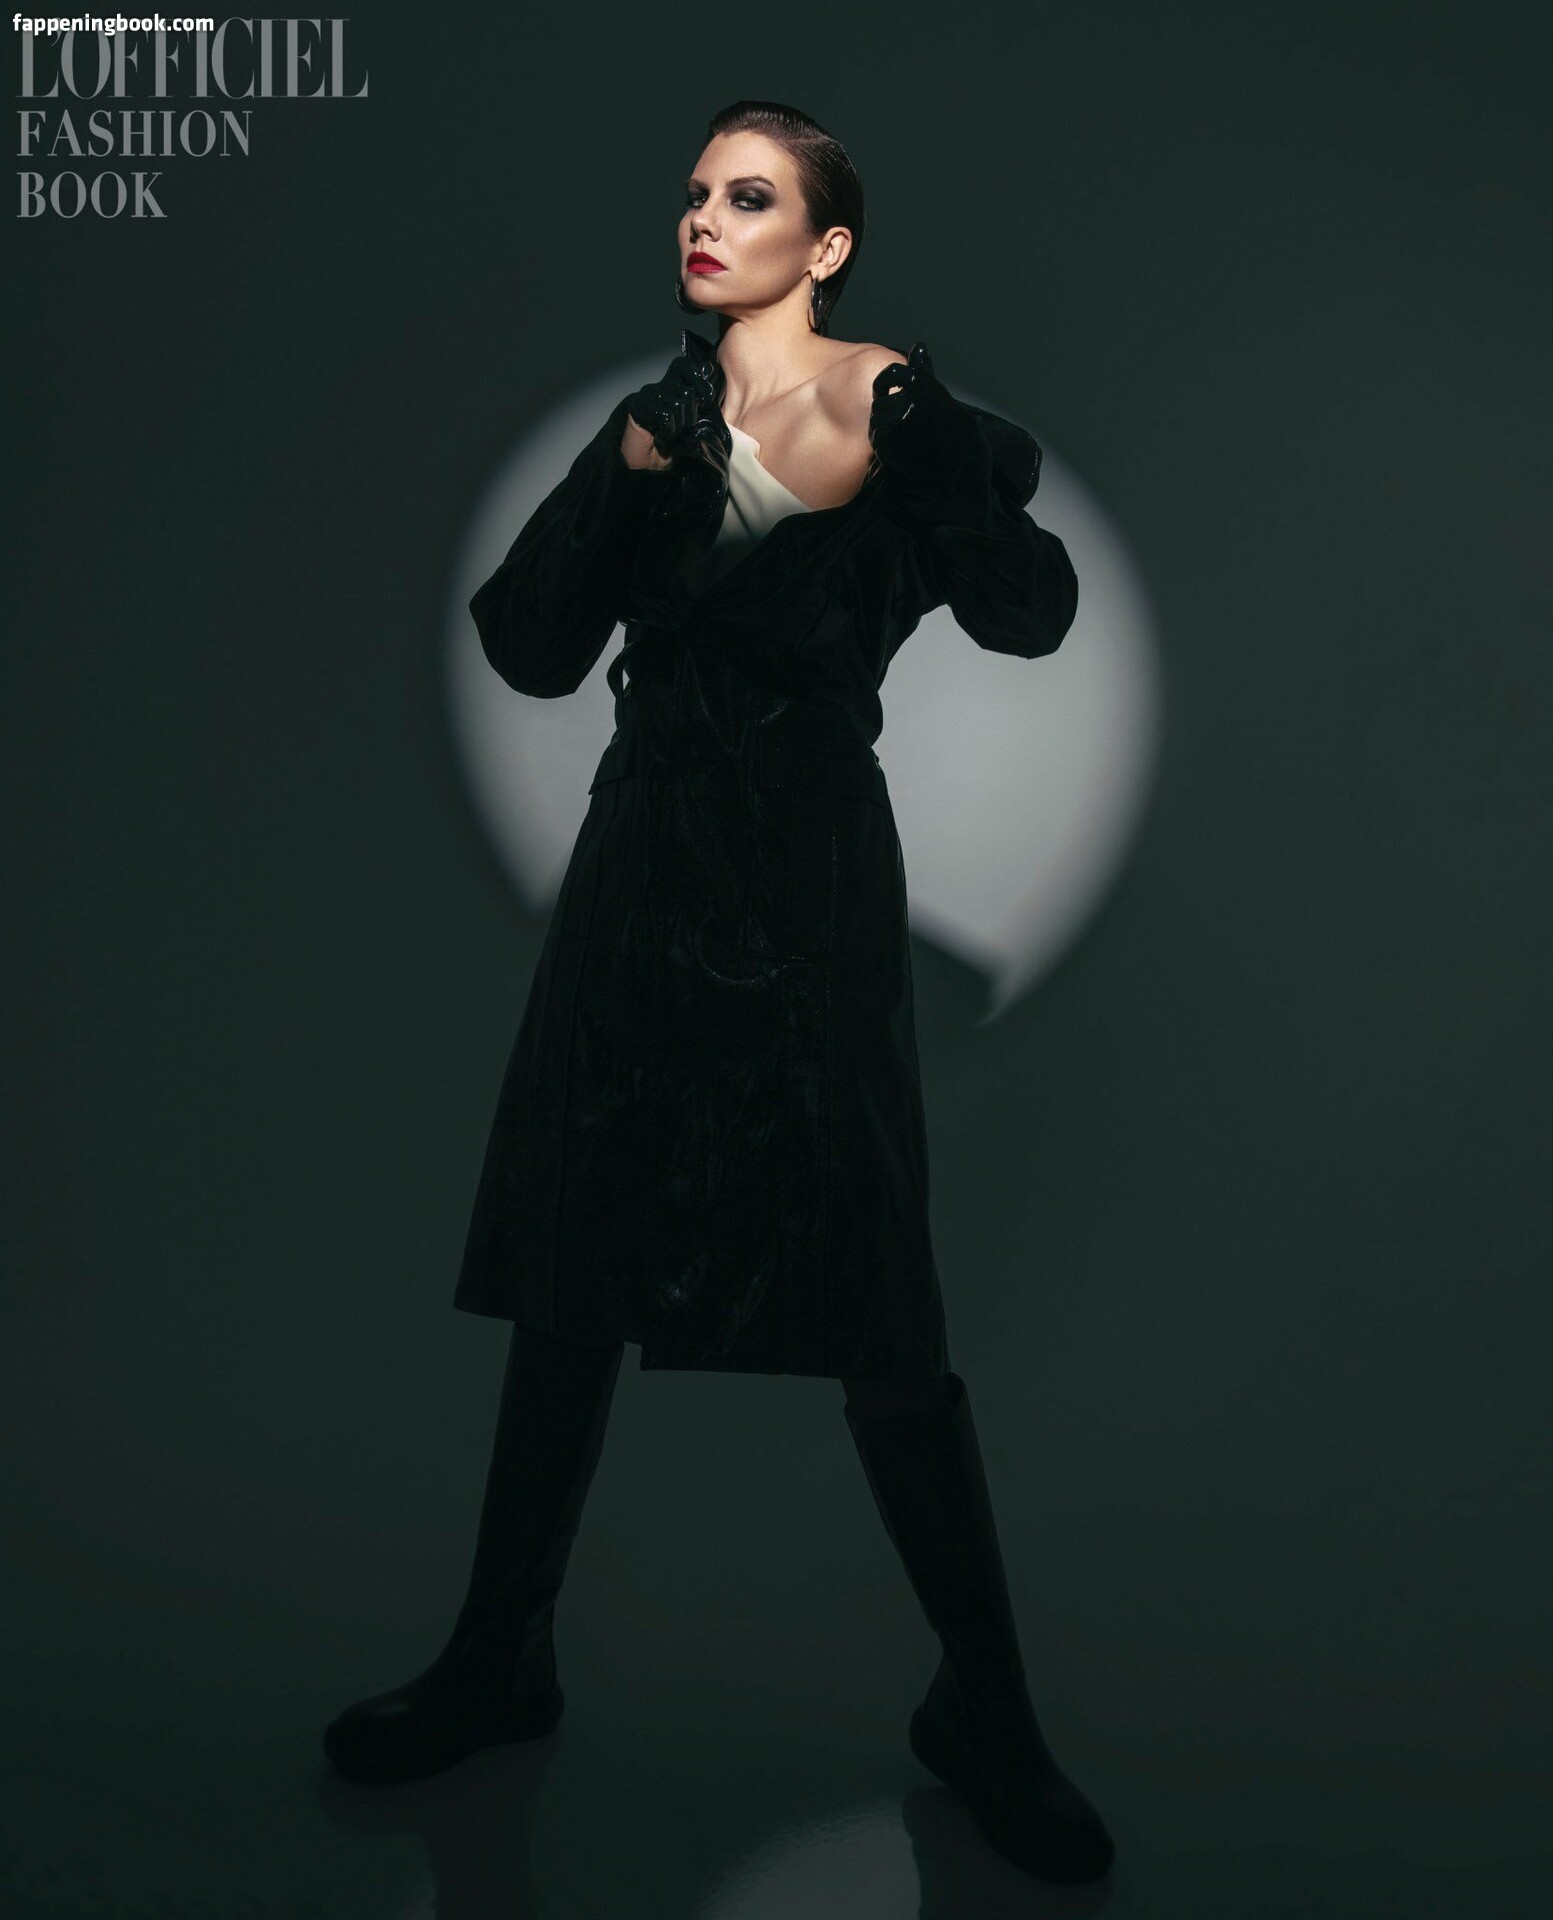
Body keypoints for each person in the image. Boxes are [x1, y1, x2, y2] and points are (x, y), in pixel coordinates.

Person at [323, 100, 1113, 1888]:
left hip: (809, 887)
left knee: (877, 1300)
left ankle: (984, 1710)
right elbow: (528, 645)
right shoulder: (662, 426)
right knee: (570, 1266)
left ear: (824, 246)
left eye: (746, 197)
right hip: (638, 875)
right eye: (693, 192)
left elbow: (1033, 613)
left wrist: (919, 439)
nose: (701, 217)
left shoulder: (905, 418)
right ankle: (496, 1659)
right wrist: (628, 464)